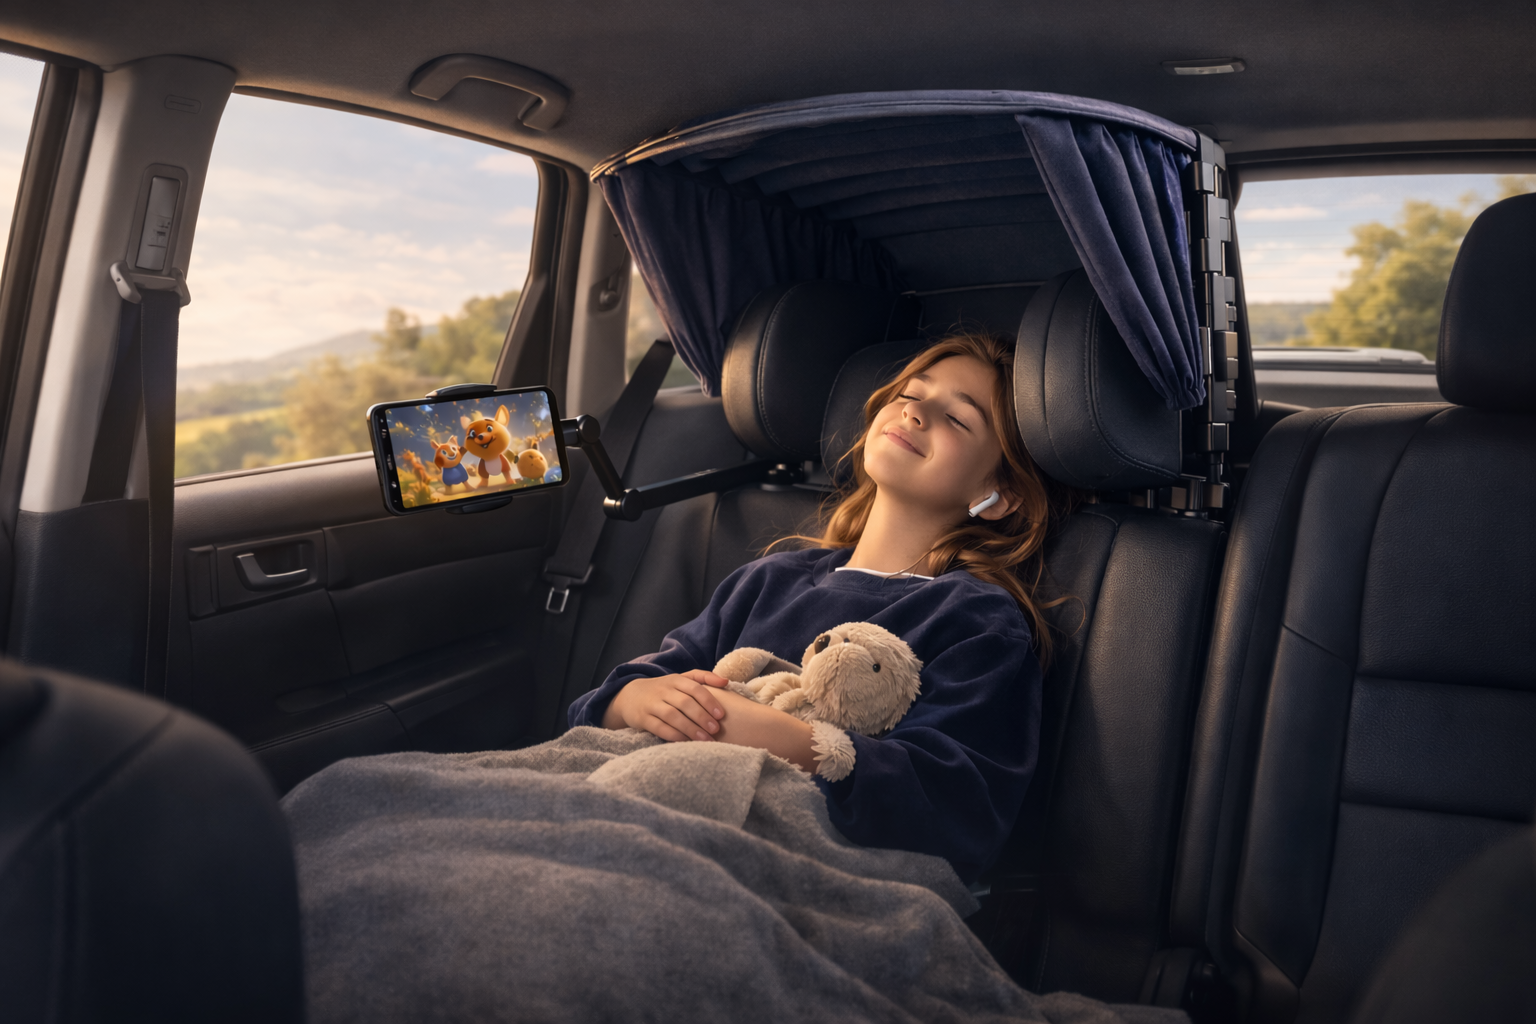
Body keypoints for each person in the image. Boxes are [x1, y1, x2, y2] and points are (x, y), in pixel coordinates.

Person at [567, 332, 1072, 882]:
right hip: (636, 795)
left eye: (957, 418)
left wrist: (772, 735)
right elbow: (609, 703)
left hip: (767, 857)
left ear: (999, 492)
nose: (916, 411)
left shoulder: (976, 619)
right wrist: (637, 698)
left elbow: (959, 806)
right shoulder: (767, 580)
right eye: (911, 392)